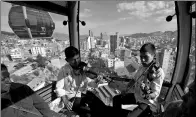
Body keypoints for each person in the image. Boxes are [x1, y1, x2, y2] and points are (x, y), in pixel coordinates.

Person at [112, 43, 165, 117]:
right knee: (116, 99)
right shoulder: (142, 67)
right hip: (137, 96)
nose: (143, 60)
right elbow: (134, 80)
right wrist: (126, 89)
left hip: (147, 103)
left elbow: (155, 94)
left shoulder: (158, 72)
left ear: (154, 56)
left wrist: (147, 94)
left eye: (146, 57)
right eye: (141, 57)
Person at [1, 64, 65, 117]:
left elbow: (42, 106)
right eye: (3, 80)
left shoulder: (21, 88)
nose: (8, 81)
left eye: (8, 76)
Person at [55, 46, 103, 117]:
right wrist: (65, 101)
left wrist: (96, 81)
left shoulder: (82, 67)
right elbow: (58, 88)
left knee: (100, 106)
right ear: (67, 60)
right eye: (73, 60)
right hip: (72, 97)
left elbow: (89, 82)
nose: (77, 61)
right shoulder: (64, 70)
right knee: (88, 113)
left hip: (83, 94)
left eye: (78, 58)